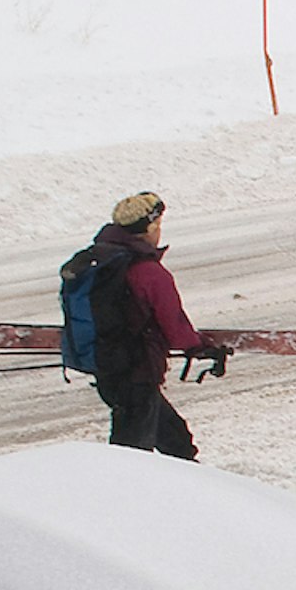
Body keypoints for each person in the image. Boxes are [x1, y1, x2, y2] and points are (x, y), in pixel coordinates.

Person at [85, 190, 223, 454]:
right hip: (137, 372)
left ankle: (190, 483)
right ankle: (125, 493)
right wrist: (198, 346)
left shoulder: (98, 261)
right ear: (150, 228)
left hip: (107, 368)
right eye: (157, 225)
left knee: (176, 440)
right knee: (131, 452)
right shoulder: (149, 272)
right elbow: (174, 324)